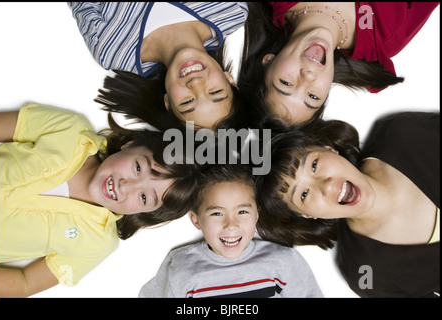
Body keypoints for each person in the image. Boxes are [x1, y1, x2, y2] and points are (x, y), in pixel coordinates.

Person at [0, 103, 199, 297]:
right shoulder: (70, 129)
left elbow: (25, 283)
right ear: (129, 145)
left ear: (144, 212)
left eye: (144, 197)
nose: (125, 186)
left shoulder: (97, 244)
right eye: (138, 168)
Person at [255, 112, 439, 297]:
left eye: (314, 165)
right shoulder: (364, 272)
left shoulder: (401, 133)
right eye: (303, 194)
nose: (325, 186)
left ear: (329, 149)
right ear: (307, 215)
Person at [239, 2, 439, 126]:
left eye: (286, 83)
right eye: (313, 96)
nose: (307, 77)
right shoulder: (382, 36)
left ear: (268, 61)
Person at [139, 164, 322, 297]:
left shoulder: (282, 261)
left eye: (242, 212)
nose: (231, 225)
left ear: (256, 214)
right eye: (217, 213)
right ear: (196, 220)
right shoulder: (181, 266)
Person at [68, 2, 248, 131]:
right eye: (215, 92)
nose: (196, 83)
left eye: (187, 102)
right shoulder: (233, 9)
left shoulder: (112, 50)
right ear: (229, 80)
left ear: (168, 102)